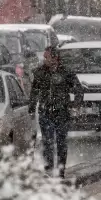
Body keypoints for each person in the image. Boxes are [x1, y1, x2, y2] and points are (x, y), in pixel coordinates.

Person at [28, 46, 83, 178]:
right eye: (44, 57)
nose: (44, 59)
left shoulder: (66, 73)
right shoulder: (40, 73)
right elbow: (34, 92)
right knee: (47, 142)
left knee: (61, 143)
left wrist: (75, 104)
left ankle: (60, 170)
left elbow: (78, 89)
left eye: (46, 57)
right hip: (45, 112)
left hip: (62, 112)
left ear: (55, 58)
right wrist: (31, 108)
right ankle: (49, 169)